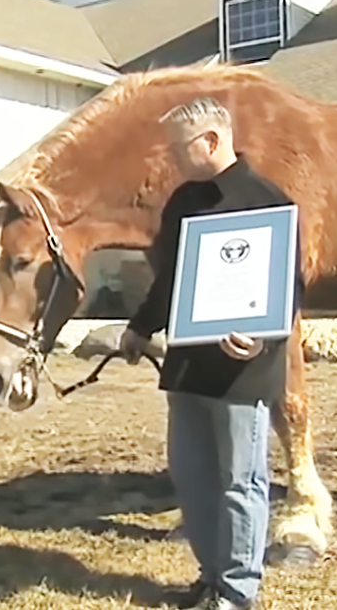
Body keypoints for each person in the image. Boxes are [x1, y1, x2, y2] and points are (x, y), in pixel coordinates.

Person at [119, 97, 303, 610]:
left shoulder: (268, 201)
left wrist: (261, 337)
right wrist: (139, 328)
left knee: (239, 481)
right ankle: (210, 575)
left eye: (180, 149)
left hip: (241, 372)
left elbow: (290, 285)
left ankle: (238, 592)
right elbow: (170, 279)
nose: (174, 159)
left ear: (212, 141)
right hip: (188, 365)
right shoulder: (182, 202)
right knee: (194, 475)